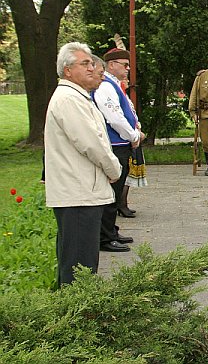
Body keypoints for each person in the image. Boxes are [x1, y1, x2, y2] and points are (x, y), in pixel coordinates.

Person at [45, 43, 122, 286]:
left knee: (80, 264)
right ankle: (75, 319)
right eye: (85, 64)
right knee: (79, 270)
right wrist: (114, 169)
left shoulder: (78, 97)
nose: (92, 68)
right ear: (67, 70)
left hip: (82, 192)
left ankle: (72, 316)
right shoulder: (69, 99)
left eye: (92, 63)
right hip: (78, 195)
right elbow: (92, 144)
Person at [94, 48, 144, 252]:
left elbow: (127, 111)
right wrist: (133, 135)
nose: (128, 68)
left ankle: (111, 231)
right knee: (112, 192)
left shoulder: (114, 85)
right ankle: (105, 237)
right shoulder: (106, 87)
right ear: (111, 65)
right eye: (125, 65)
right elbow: (114, 118)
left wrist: (136, 125)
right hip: (115, 145)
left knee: (116, 191)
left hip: (120, 144)